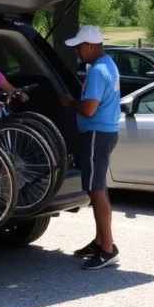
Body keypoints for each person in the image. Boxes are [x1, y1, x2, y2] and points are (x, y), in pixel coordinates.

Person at [58, 25, 122, 270]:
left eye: (79, 47)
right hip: (105, 132)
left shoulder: (97, 71)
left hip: (97, 134)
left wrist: (69, 102)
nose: (77, 52)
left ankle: (108, 249)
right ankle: (99, 241)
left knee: (96, 191)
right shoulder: (109, 64)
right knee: (100, 189)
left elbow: (88, 109)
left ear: (91, 46)